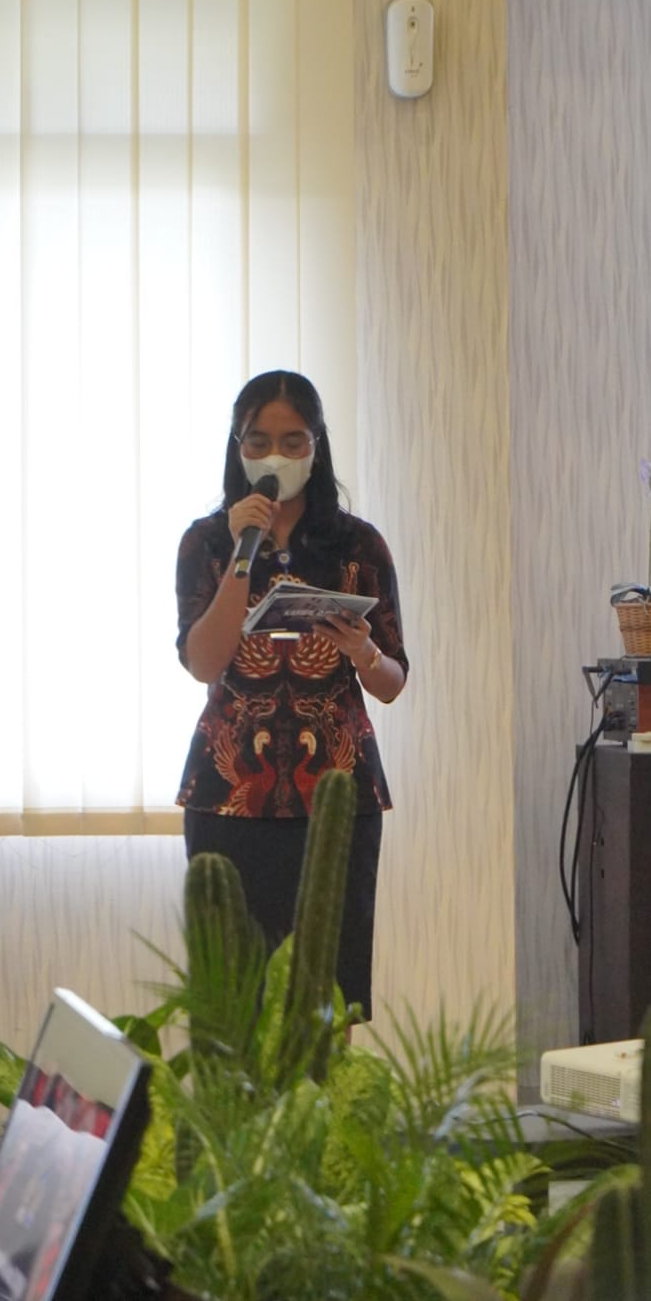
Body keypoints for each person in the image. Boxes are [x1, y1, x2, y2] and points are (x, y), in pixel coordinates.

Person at [175, 369, 408, 1020]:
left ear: (317, 445)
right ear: (237, 446)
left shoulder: (359, 545)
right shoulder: (206, 543)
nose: (274, 456)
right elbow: (202, 662)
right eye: (258, 441)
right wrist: (241, 557)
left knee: (327, 1000)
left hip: (337, 797)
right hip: (230, 795)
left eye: (292, 440)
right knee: (235, 1004)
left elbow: (393, 681)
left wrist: (363, 652)